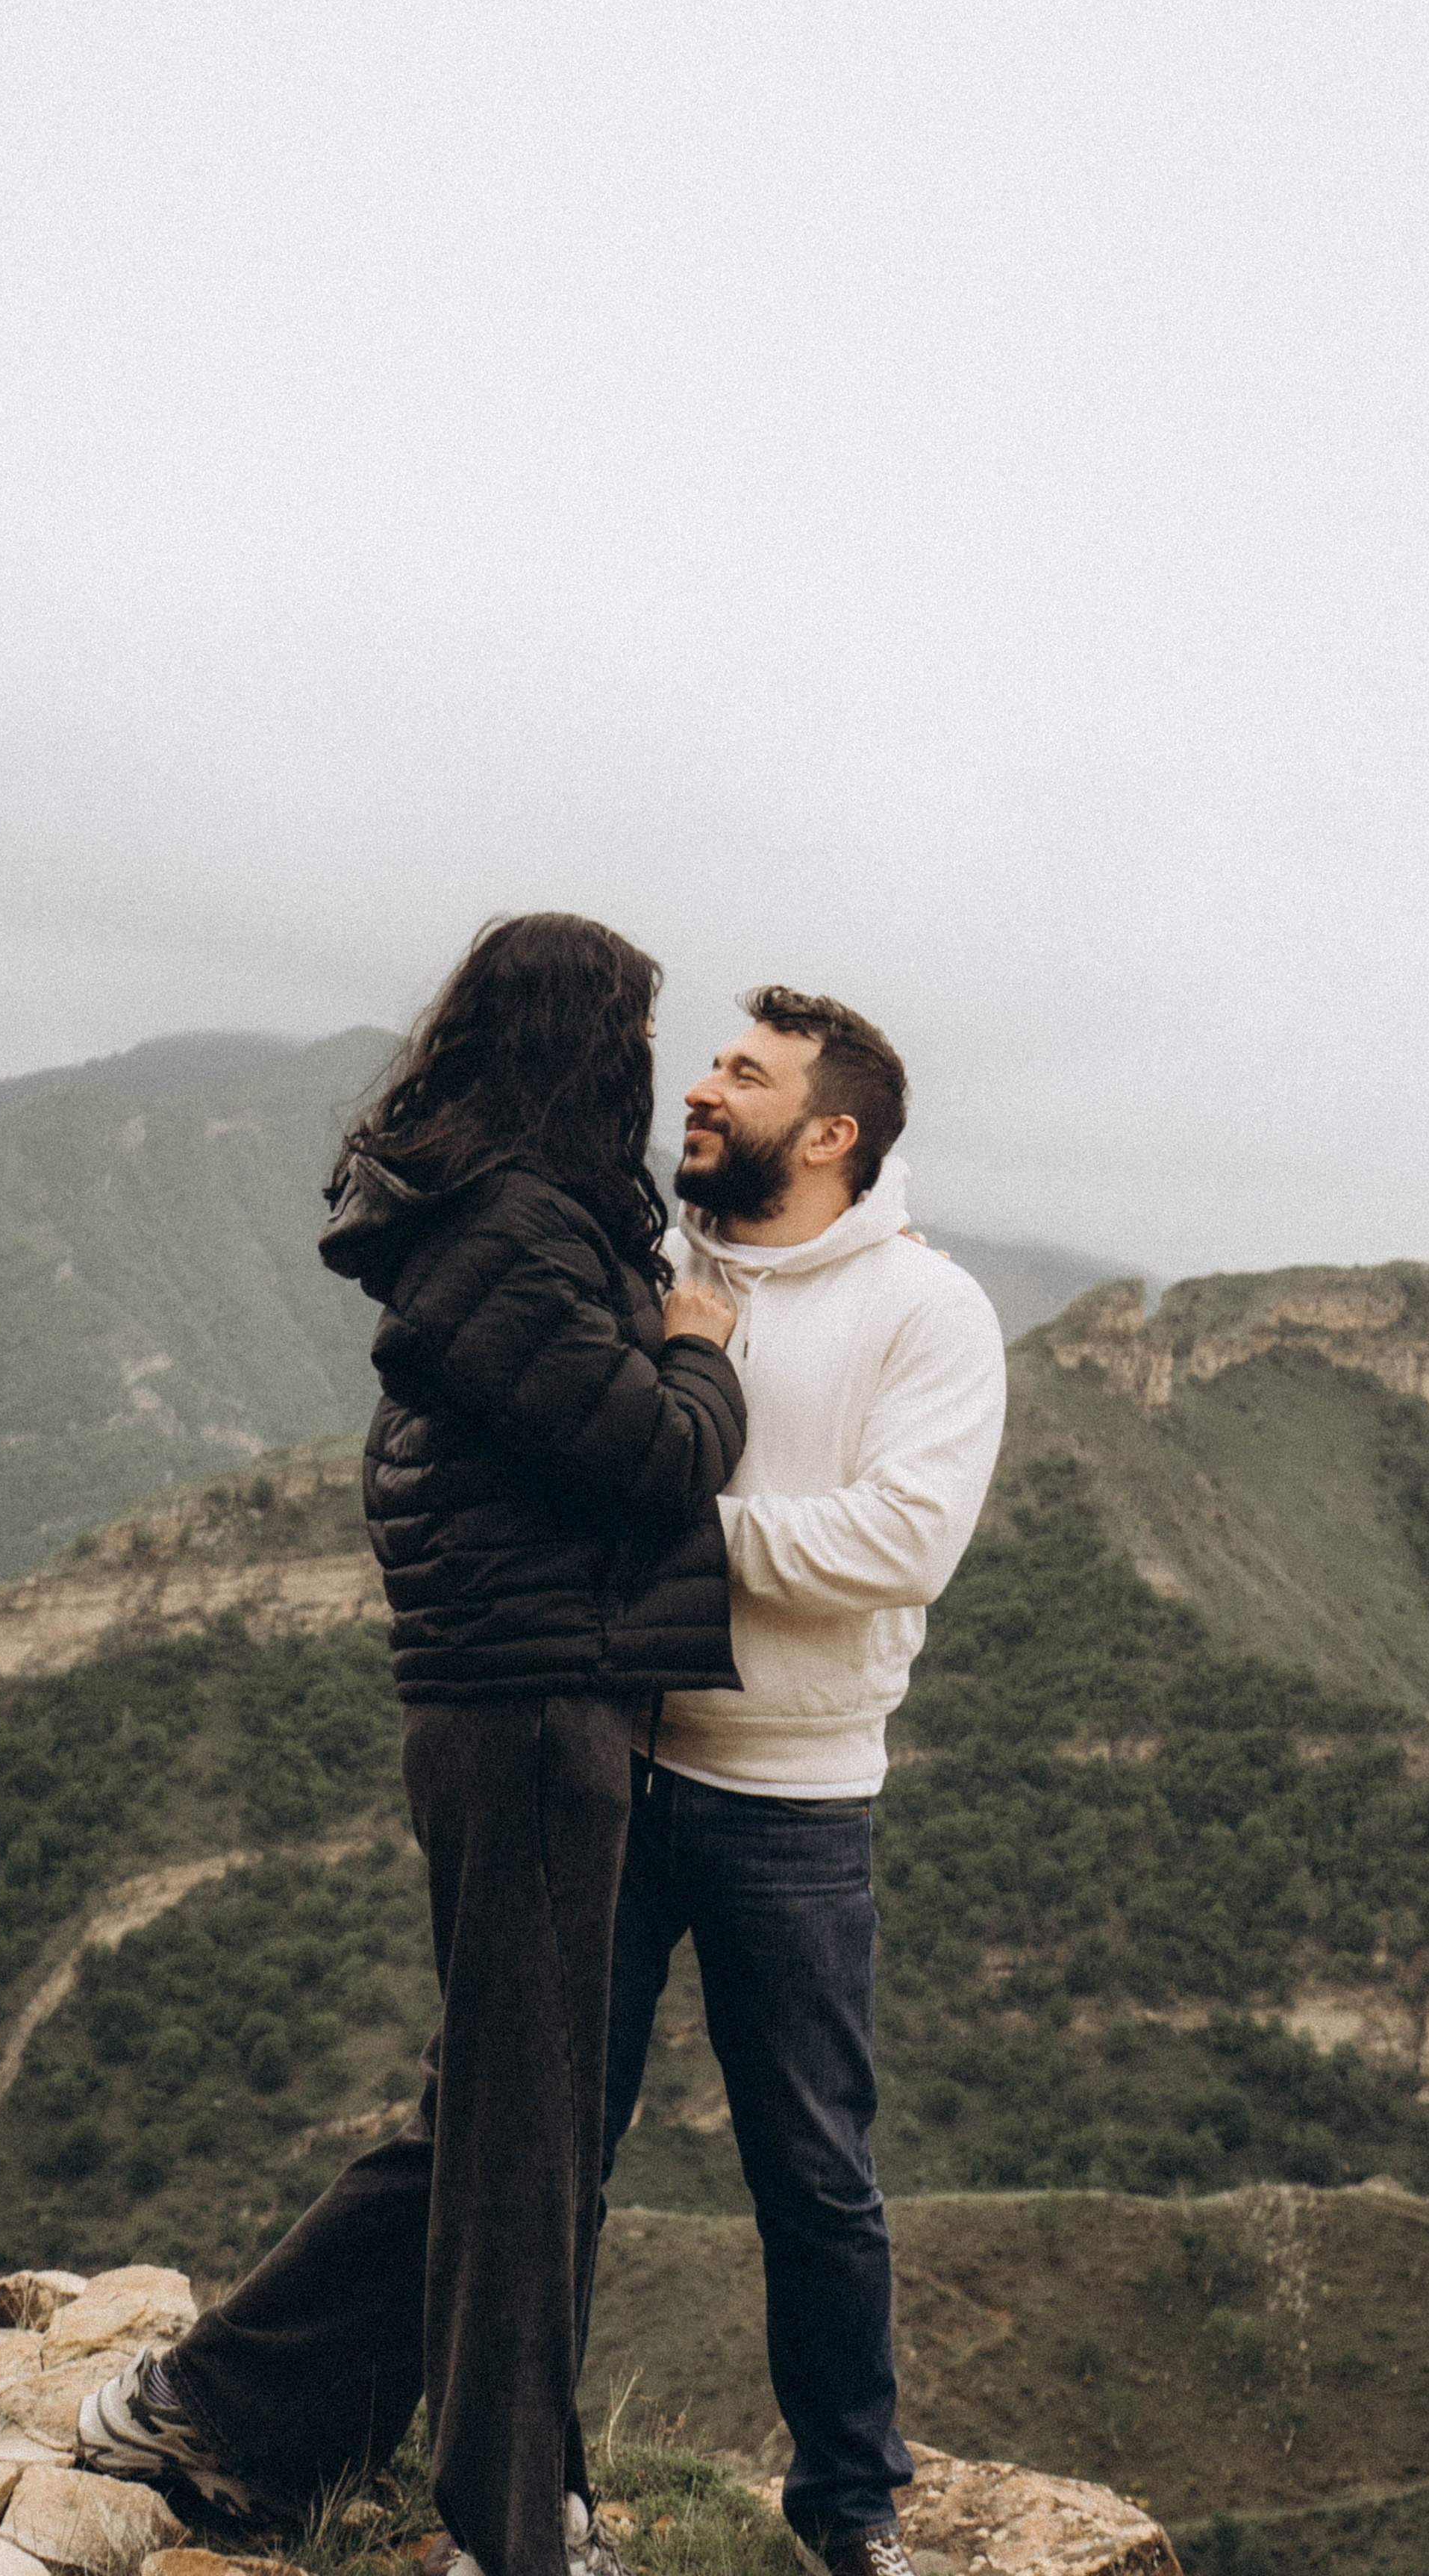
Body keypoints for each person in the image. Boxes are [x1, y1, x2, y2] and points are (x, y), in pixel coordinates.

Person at [76, 914, 746, 2576]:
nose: (654, 1076)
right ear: (590, 1047)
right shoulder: (516, 1232)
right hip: (524, 1715)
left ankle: (220, 2411)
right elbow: (657, 1461)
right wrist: (702, 1353)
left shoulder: (501, 1221)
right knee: (522, 2140)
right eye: (638, 1041)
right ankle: (509, 2532)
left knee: (491, 2115)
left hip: (527, 1702)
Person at [592, 988, 1007, 2576]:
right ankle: (530, 2478)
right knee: (559, 2146)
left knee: (816, 2178)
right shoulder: (658, 1274)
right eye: (709, 1062)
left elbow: (903, 1540)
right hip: (613, 1770)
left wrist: (678, 1536)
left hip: (797, 1801)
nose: (697, 1088)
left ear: (828, 1135)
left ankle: (847, 2514)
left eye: (739, 1075)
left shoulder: (925, 1311)